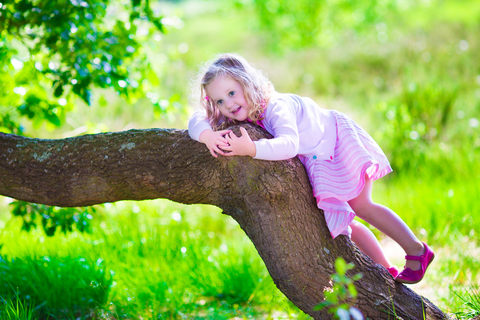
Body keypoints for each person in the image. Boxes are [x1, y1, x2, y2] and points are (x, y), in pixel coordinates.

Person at [188, 53, 434, 284]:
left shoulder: (275, 107)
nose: (228, 104)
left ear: (247, 84)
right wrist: (208, 136)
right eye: (220, 100)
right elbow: (196, 120)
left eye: (232, 93)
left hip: (335, 142)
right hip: (317, 157)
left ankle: (417, 251)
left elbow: (289, 144)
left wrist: (251, 148)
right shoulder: (239, 112)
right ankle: (387, 271)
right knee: (341, 222)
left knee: (361, 206)